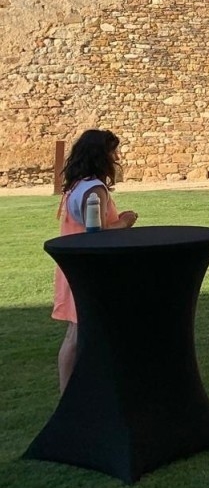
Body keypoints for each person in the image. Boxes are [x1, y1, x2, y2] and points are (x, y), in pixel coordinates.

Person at [53, 129, 139, 391]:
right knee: (77, 333)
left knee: (79, 331)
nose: (116, 157)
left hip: (75, 266)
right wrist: (124, 222)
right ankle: (69, 392)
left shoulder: (76, 186)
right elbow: (96, 232)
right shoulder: (94, 189)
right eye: (112, 151)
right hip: (87, 269)